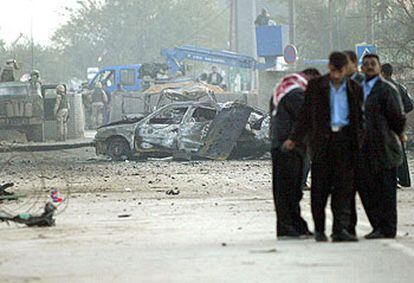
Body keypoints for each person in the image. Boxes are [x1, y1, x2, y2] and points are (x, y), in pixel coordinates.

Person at [283, 52, 363, 242]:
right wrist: (294, 138)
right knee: (320, 189)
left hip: (345, 142)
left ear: (346, 69)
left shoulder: (354, 88)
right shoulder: (316, 86)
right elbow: (305, 115)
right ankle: (319, 229)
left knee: (343, 190)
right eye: (333, 70)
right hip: (322, 144)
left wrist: (361, 142)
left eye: (340, 70)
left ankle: (339, 230)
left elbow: (360, 118)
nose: (336, 75)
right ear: (329, 67)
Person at [358, 54, 406, 239]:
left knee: (386, 191)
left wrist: (397, 134)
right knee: (368, 188)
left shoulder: (386, 89)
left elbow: (398, 116)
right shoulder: (359, 90)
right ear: (361, 68)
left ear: (379, 67)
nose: (369, 67)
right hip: (364, 148)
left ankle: (388, 228)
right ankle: (377, 225)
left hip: (384, 146)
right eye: (366, 64)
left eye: (373, 64)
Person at [270, 68, 321, 239]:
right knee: (290, 190)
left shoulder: (284, 88)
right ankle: (288, 227)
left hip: (281, 145)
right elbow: (306, 120)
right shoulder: (297, 93)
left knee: (286, 189)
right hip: (290, 146)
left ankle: (295, 225)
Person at [381, 63, 413, 188]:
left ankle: (391, 180)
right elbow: (410, 104)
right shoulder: (400, 86)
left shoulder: (382, 87)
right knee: (400, 151)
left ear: (382, 73)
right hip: (398, 123)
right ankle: (404, 180)